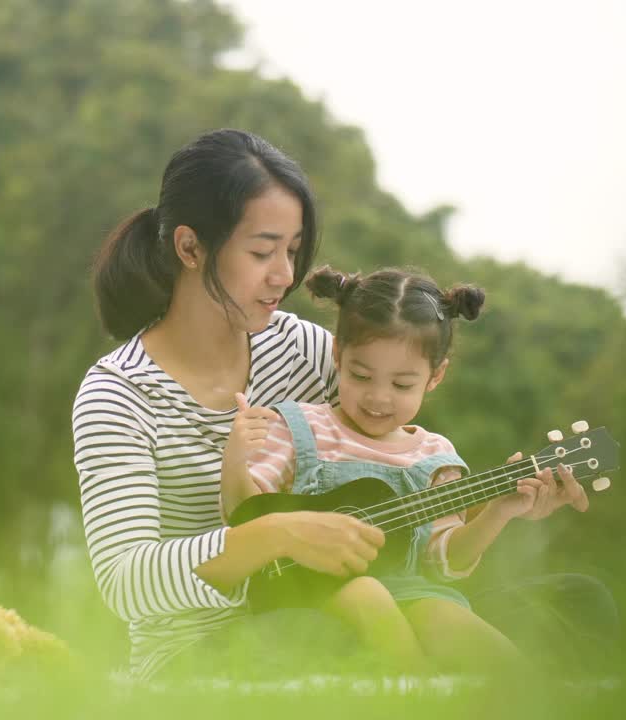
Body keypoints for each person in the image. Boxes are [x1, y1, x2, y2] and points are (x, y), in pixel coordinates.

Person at [72, 128, 615, 682]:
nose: (285, 274)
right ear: (190, 248)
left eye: (292, 250)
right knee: (340, 628)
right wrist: (277, 534)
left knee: (575, 602)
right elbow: (126, 581)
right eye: (262, 251)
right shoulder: (119, 394)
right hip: (212, 645)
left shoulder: (306, 350)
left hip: (372, 606)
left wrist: (502, 503)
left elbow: (390, 479)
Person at [221, 266, 553, 674]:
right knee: (369, 595)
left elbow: (442, 563)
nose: (378, 397)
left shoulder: (436, 455)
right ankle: (415, 698)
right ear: (338, 355)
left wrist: (499, 512)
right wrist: (235, 459)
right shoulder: (300, 426)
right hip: (310, 591)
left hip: (412, 589)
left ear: (436, 376)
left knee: (464, 631)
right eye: (361, 376)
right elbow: (245, 517)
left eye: (401, 385)